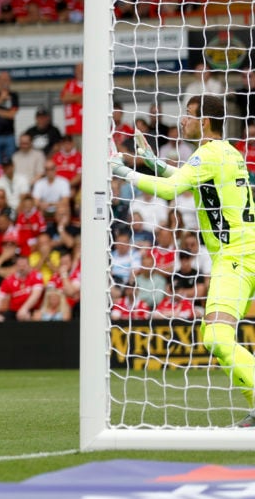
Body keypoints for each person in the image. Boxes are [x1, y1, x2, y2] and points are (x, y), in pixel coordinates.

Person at [113, 94, 255, 427]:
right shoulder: (227, 152)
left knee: (217, 338)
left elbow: (170, 190)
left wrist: (125, 172)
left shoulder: (208, 153)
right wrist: (152, 162)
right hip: (243, 252)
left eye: (188, 114)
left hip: (235, 256)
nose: (182, 120)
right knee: (213, 337)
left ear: (204, 121)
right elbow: (191, 180)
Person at [59, 62, 83, 149]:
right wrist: (80, 97)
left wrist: (72, 97)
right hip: (72, 128)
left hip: (88, 128)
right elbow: (64, 98)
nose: (81, 72)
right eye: (78, 70)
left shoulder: (92, 83)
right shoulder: (70, 84)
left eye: (82, 70)